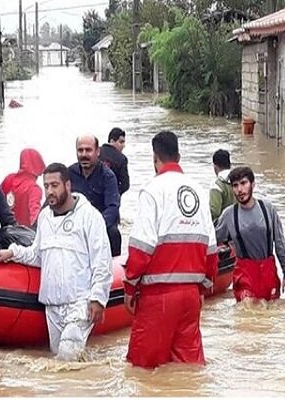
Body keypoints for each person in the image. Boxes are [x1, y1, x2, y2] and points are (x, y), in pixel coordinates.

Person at [0, 163, 113, 361]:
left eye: (54, 185)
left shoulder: (90, 217)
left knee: (66, 357)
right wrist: (12, 253)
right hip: (52, 305)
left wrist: (98, 299)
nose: (49, 191)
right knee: (59, 364)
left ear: (67, 185)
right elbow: (38, 255)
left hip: (79, 302)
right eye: (46, 186)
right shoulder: (45, 218)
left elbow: (102, 261)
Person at [123, 130, 218, 369]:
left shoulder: (152, 191)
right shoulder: (197, 190)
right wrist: (204, 288)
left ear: (155, 159)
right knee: (189, 370)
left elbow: (141, 248)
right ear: (179, 156)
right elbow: (212, 248)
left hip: (158, 296)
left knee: (142, 371)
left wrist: (129, 287)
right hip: (191, 298)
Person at [215, 166, 285, 302]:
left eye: (244, 183)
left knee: (271, 315)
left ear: (253, 184)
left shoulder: (268, 209)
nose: (240, 189)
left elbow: (280, 243)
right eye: (235, 185)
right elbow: (212, 240)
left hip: (268, 274)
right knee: (247, 309)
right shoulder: (228, 215)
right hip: (244, 276)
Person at [68, 135, 122, 257]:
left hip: (101, 227)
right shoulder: (70, 173)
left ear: (97, 152)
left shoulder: (108, 176)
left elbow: (113, 207)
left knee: (114, 233)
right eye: (80, 150)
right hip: (74, 227)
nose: (84, 154)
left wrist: (94, 227)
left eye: (88, 150)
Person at [1, 148, 46, 227]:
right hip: (26, 234)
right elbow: (35, 211)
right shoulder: (34, 188)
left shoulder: (8, 179)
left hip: (7, 231)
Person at [100, 127, 130, 195]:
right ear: (112, 141)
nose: (123, 145)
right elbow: (125, 185)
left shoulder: (96, 153)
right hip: (111, 198)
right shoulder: (122, 159)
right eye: (121, 142)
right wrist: (115, 193)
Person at [209, 149, 235, 224]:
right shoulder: (239, 180)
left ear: (215, 167)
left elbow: (215, 212)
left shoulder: (216, 184)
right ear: (230, 165)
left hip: (224, 227)